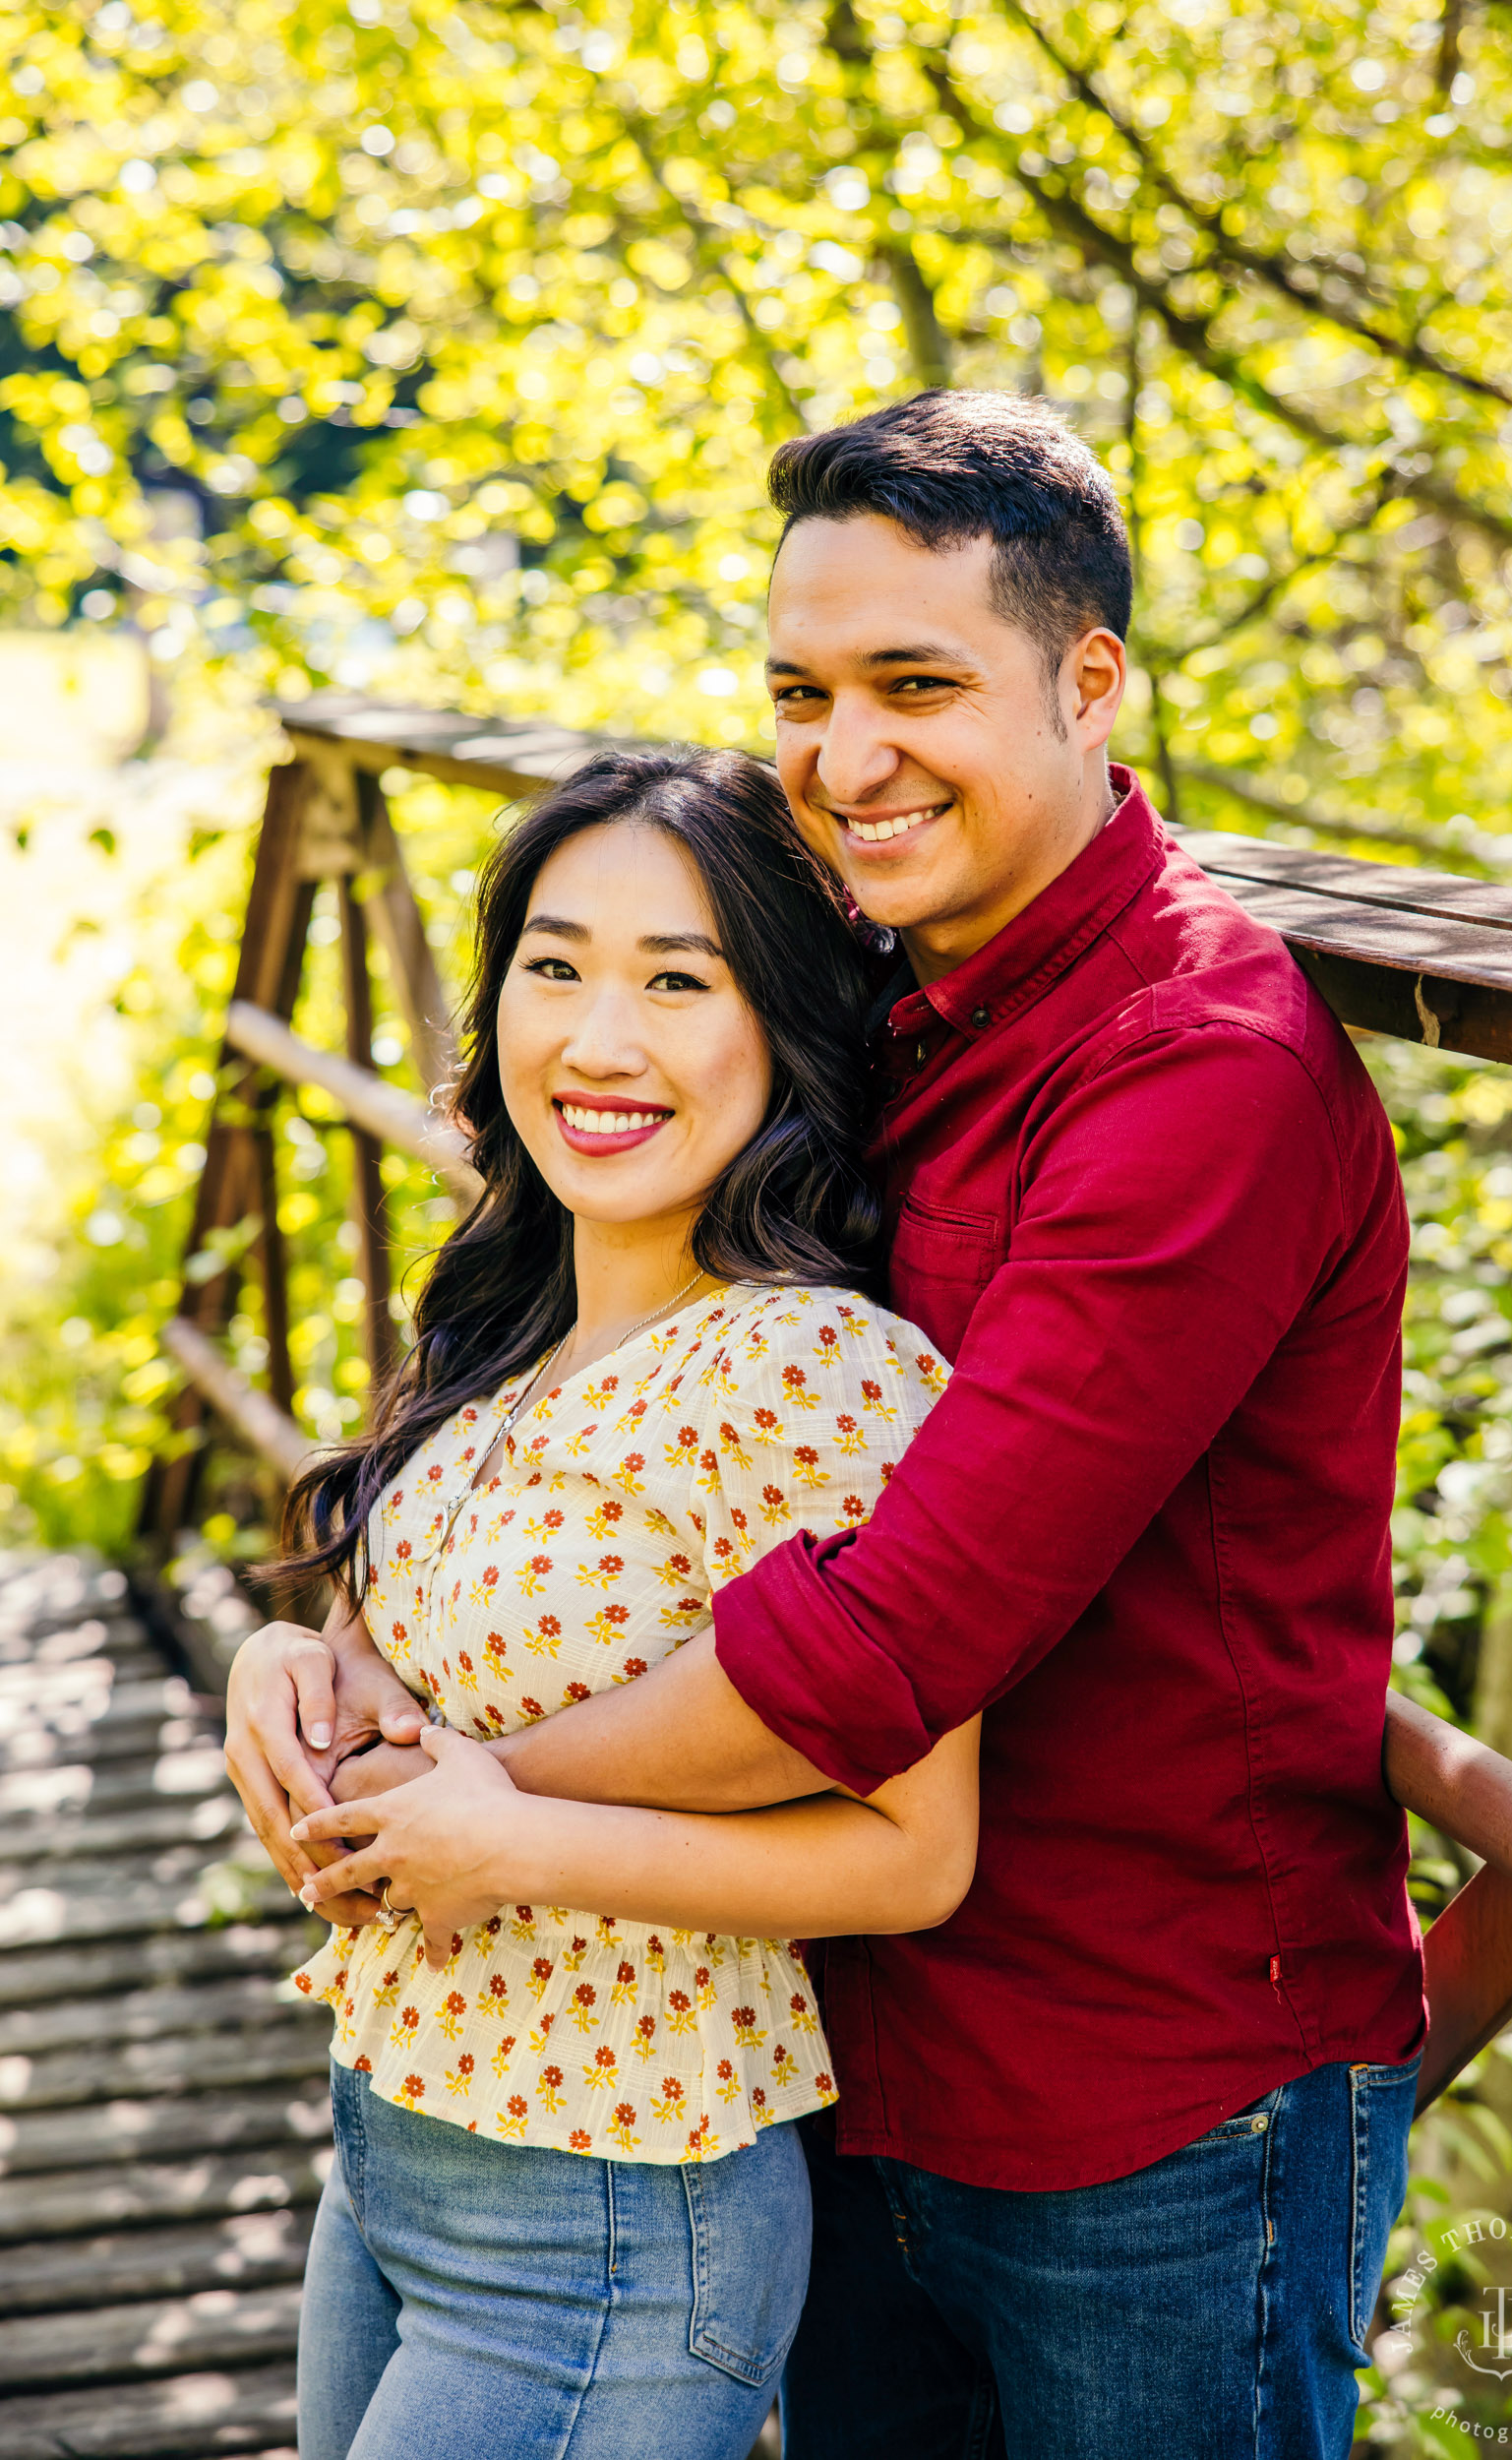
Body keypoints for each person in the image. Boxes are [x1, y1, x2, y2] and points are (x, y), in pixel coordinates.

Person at [230, 391, 1425, 2459]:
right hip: (836, 2057)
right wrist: (339, 1660)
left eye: (917, 685)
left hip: (1143, 2086)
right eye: (799, 688)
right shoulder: (874, 988)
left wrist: (457, 1796)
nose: (845, 754)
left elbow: (884, 1643)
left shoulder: (1194, 1068)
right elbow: (595, 1402)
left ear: (1089, 679)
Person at [262, 744, 979, 2460]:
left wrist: (517, 1842)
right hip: (389, 2152)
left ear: (784, 1023)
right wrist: (290, 1663)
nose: (598, 1040)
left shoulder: (815, 1373)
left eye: (678, 980)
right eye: (557, 965)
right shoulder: (522, 1323)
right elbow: (428, 1654)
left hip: (610, 2225)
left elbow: (914, 1856)